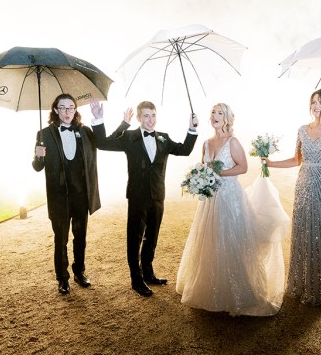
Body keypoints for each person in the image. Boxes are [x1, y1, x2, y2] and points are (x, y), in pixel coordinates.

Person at [176, 103, 287, 316]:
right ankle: (210, 289)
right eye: (212, 113)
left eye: (219, 113)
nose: (214, 116)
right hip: (210, 200)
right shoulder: (207, 143)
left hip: (230, 197)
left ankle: (238, 291)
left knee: (231, 240)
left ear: (226, 118)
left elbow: (243, 167)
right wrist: (201, 178)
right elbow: (203, 166)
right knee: (210, 240)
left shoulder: (233, 142)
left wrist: (218, 173)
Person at [94, 101, 198, 297]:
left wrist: (192, 129)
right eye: (146, 116)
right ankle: (136, 279)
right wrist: (122, 123)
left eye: (153, 115)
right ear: (139, 118)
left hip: (158, 195)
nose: (151, 120)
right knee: (134, 238)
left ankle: (148, 272)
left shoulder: (164, 138)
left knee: (152, 236)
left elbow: (184, 150)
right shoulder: (130, 136)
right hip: (137, 196)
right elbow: (102, 143)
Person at [264, 88, 321, 306]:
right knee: (304, 233)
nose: (315, 105)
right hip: (304, 185)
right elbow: (297, 160)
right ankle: (300, 285)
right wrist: (271, 163)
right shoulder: (302, 130)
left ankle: (320, 289)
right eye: (313, 101)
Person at [32, 94, 132, 295]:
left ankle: (79, 272)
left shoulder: (85, 131)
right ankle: (63, 278)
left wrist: (124, 124)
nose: (67, 112)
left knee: (80, 237)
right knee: (61, 239)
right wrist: (38, 156)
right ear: (55, 110)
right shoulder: (44, 134)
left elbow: (107, 142)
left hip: (80, 195)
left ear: (76, 110)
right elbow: (37, 167)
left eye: (71, 107)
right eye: (63, 107)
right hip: (59, 197)